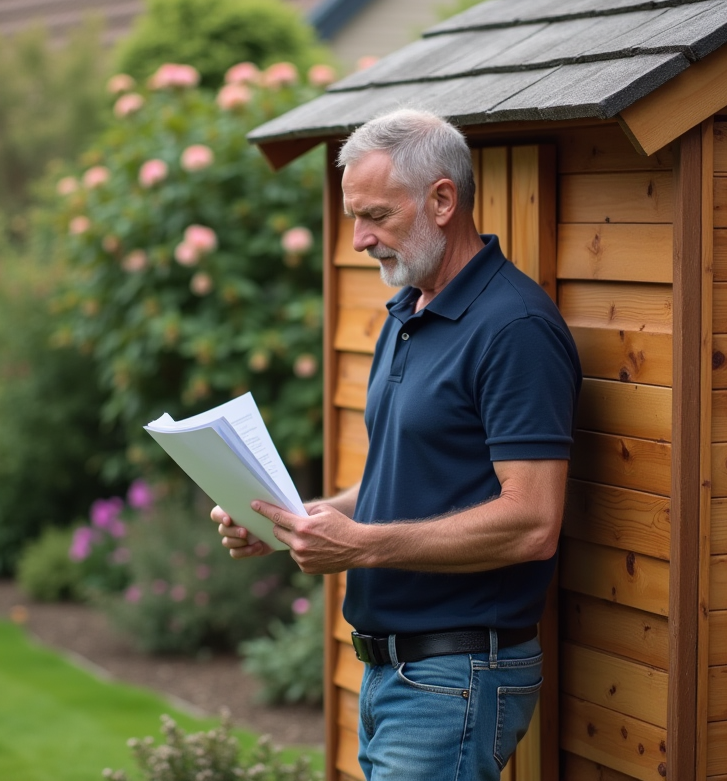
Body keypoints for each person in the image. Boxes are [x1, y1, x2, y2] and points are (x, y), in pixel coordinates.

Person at [211, 109, 581, 780]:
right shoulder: (410, 313)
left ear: (442, 200)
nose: (358, 240)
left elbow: (532, 523)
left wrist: (362, 545)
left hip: (456, 674)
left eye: (376, 216)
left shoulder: (514, 328)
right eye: (355, 217)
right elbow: (394, 483)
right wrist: (296, 519)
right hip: (399, 674)